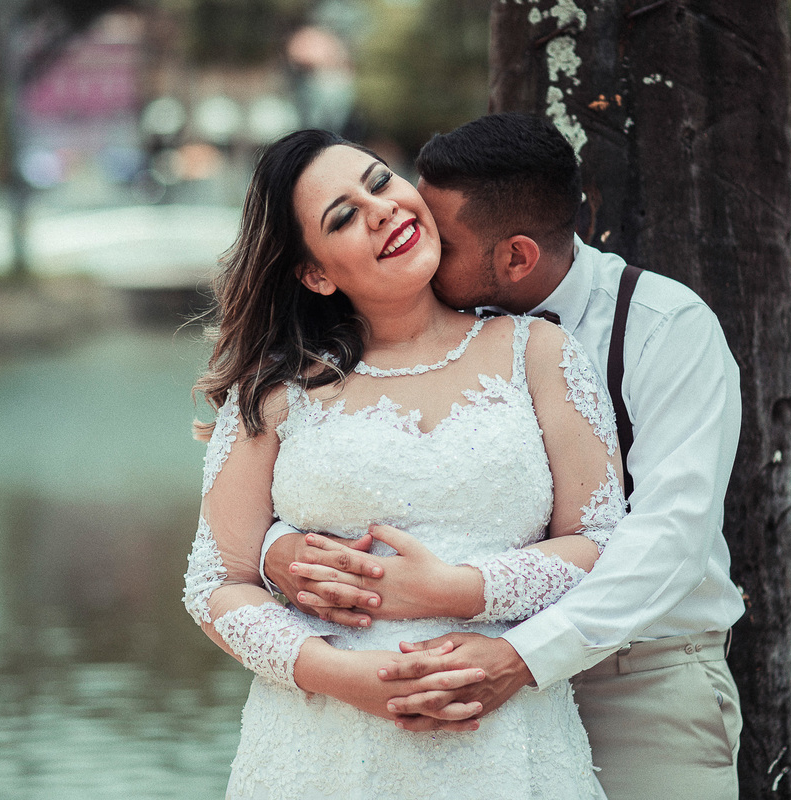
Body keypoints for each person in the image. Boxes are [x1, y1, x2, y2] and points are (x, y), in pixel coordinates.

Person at [261, 113, 746, 799]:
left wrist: (520, 659)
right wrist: (277, 550)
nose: (405, 230)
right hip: (450, 699)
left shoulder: (664, 328)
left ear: (514, 258)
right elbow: (388, 481)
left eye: (439, 233)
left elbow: (671, 535)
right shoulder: (409, 336)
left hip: (637, 681)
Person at [183, 127, 628, 799]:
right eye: (344, 216)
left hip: (507, 742)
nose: (382, 207)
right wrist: (344, 678)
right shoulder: (274, 392)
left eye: (380, 182)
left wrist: (463, 589)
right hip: (323, 748)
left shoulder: (538, 353)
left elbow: (602, 544)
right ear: (316, 272)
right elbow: (216, 584)